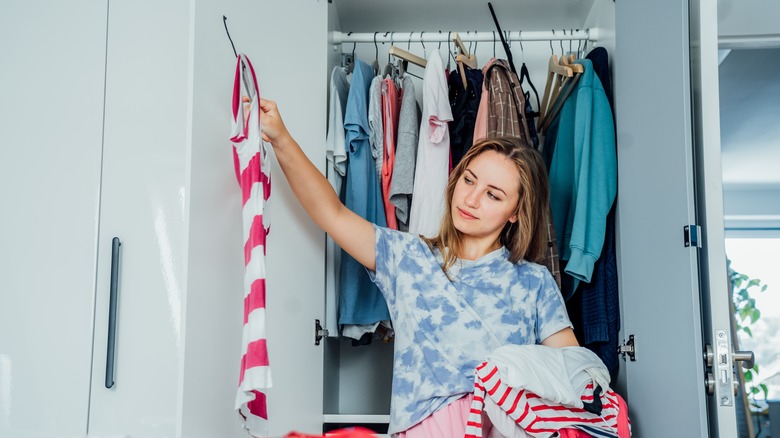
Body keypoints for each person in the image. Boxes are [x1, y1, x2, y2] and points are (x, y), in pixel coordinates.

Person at [252, 97, 579, 437]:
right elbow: (331, 213)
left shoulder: (534, 282)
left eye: (493, 195)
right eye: (469, 180)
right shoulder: (407, 257)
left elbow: (575, 378)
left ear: (516, 212)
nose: (470, 199)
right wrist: (280, 137)